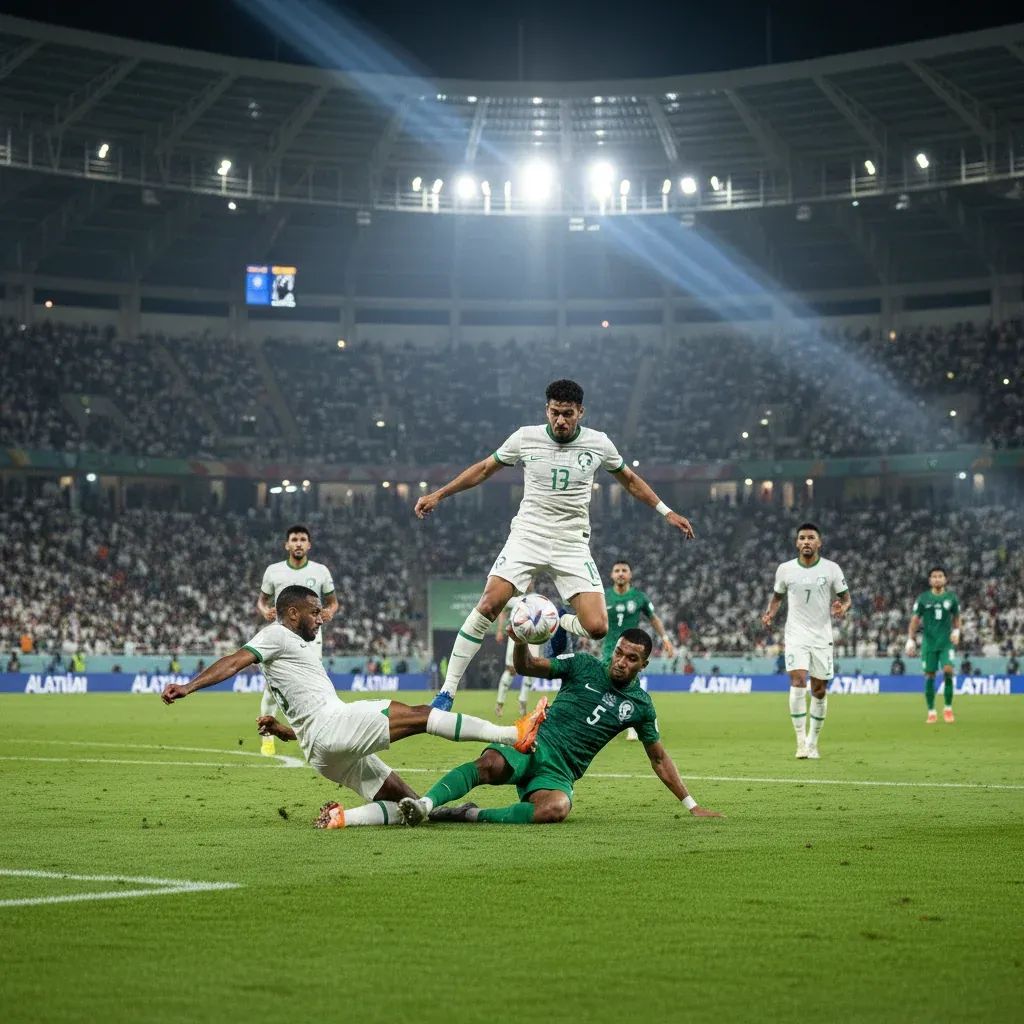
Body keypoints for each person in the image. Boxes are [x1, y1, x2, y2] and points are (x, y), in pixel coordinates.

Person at [161, 586, 547, 829]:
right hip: (334, 726)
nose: (320, 618)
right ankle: (512, 733)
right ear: (293, 613)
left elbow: (307, 712)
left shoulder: (291, 648)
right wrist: (189, 686)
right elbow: (234, 660)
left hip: (319, 749)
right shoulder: (275, 634)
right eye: (314, 612)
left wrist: (284, 731)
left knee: (409, 805)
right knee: (421, 715)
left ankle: (343, 818)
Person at [414, 378, 694, 711]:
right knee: (488, 604)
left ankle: (556, 618)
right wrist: (439, 494)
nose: (560, 420)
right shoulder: (525, 437)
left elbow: (630, 481)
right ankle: (447, 692)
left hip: (571, 543)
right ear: (546, 409)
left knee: (597, 627)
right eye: (555, 413)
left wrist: (666, 512)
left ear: (580, 412)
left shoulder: (599, 443)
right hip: (527, 536)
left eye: (568, 414)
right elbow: (485, 468)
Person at [395, 628, 722, 827]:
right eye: (619, 653)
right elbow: (527, 666)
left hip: (560, 771)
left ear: (644, 664)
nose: (621, 662)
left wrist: (691, 805)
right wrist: (520, 641)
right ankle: (425, 805)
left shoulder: (640, 705)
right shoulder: (583, 665)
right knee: (489, 764)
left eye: (631, 659)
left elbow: (659, 758)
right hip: (533, 743)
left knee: (556, 808)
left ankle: (467, 815)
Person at [761, 522, 851, 759]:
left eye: (811, 538)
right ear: (796, 543)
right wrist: (770, 613)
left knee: (819, 690)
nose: (806, 541)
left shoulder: (831, 569)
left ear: (819, 543)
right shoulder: (785, 569)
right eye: (802, 538)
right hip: (796, 634)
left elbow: (846, 598)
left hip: (822, 636)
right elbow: (777, 597)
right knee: (798, 680)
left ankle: (813, 741)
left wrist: (843, 607)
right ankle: (801, 742)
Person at [256, 524, 339, 756]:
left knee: (314, 685)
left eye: (302, 539)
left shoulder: (320, 571)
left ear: (309, 545)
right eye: (294, 540)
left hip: (311, 637)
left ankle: (318, 736)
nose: (298, 543)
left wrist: (329, 611)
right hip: (281, 635)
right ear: (287, 545)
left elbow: (333, 602)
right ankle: (267, 737)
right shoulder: (273, 571)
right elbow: (262, 600)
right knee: (272, 689)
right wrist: (265, 611)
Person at [603, 560, 674, 740]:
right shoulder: (603, 596)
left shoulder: (639, 597)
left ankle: (633, 723)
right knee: (605, 684)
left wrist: (665, 638)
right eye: (617, 570)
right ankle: (605, 721)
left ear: (630, 574)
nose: (620, 573)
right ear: (612, 575)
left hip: (631, 650)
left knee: (630, 684)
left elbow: (654, 618)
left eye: (624, 570)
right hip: (609, 649)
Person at [905, 567, 961, 724]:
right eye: (934, 576)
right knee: (930, 675)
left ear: (945, 579)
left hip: (946, 643)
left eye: (940, 576)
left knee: (948, 670)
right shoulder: (923, 598)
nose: (937, 579)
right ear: (930, 580)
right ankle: (931, 711)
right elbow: (915, 620)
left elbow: (957, 617)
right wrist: (911, 639)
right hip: (929, 643)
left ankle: (948, 708)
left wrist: (957, 631)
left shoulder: (951, 598)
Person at [492, 583, 542, 718]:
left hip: (532, 636)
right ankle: (500, 703)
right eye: (528, 581)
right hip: (516, 635)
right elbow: (503, 612)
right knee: (511, 669)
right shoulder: (514, 599)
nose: (530, 583)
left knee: (532, 667)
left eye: (532, 581)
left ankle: (522, 701)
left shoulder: (538, 599)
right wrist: (499, 630)